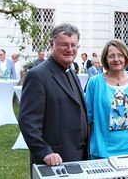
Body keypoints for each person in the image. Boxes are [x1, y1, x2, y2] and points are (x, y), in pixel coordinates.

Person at [18, 23, 88, 171]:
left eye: (73, 45)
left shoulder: (72, 71)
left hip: (78, 157)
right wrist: (45, 152)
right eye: (64, 45)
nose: (70, 49)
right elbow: (28, 121)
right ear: (51, 44)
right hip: (54, 160)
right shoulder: (37, 75)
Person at [85, 39, 128, 159]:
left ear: (126, 57)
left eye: (120, 55)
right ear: (106, 59)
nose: (116, 59)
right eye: (111, 56)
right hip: (102, 150)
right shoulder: (95, 82)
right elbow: (88, 119)